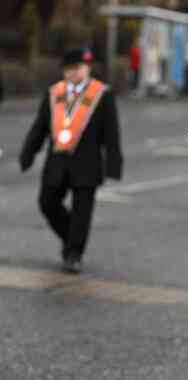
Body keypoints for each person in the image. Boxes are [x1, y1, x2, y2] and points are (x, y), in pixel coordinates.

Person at [18, 48, 123, 273]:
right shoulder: (54, 93)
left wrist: (114, 164)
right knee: (47, 202)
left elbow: (111, 133)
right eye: (73, 68)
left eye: (83, 67)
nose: (78, 72)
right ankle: (70, 237)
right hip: (57, 161)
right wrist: (28, 153)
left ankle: (74, 254)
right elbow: (39, 127)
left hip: (87, 163)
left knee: (82, 212)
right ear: (65, 70)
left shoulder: (101, 94)